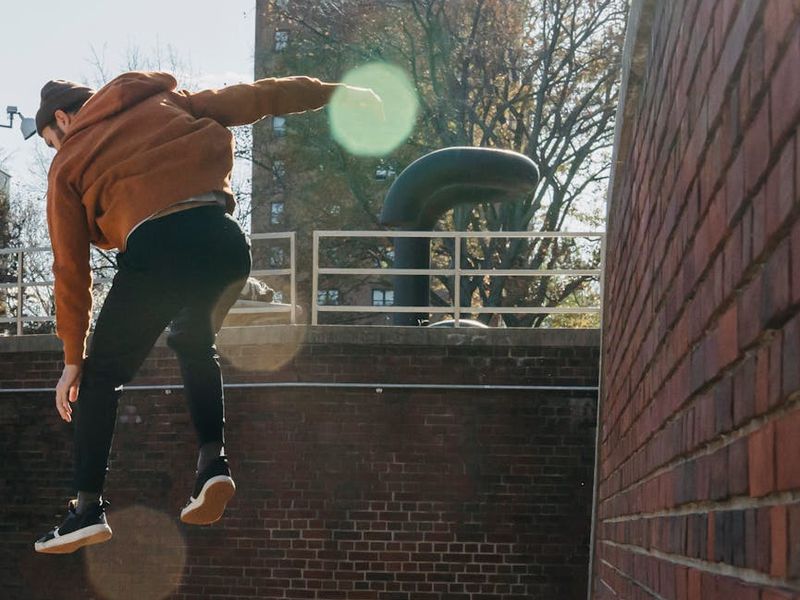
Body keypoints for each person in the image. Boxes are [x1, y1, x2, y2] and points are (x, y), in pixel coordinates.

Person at [32, 71, 382, 554]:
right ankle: (212, 465)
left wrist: (73, 356)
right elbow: (256, 96)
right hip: (224, 242)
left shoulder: (68, 162)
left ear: (63, 119)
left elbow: (71, 268)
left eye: (52, 141)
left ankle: (86, 510)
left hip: (158, 249)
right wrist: (333, 94)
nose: (56, 149)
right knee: (196, 343)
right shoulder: (163, 100)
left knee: (100, 378)